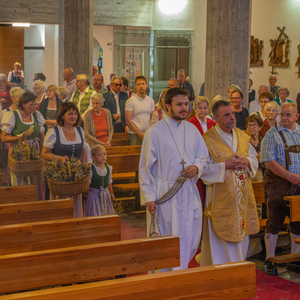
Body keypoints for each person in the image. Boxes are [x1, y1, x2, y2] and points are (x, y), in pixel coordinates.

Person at [139, 88, 208, 270]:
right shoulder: (154, 132)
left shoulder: (192, 130)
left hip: (188, 191)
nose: (184, 108)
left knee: (190, 237)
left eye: (186, 104)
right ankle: (162, 281)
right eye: (179, 104)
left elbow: (203, 157)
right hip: (165, 195)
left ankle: (181, 274)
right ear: (167, 105)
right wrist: (149, 197)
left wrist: (196, 167)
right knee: (166, 239)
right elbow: (145, 168)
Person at [200, 100, 259, 266]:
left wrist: (247, 162)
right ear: (216, 118)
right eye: (226, 115)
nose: (231, 117)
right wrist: (225, 166)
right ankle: (220, 269)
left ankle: (239, 265)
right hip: (220, 198)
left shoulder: (242, 135)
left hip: (242, 197)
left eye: (232, 113)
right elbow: (202, 169)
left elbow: (254, 158)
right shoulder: (207, 139)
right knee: (221, 239)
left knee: (242, 233)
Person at [260, 103, 300, 276]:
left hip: (298, 185)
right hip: (277, 184)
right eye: (282, 115)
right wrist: (290, 177)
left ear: (296, 116)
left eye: (288, 115)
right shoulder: (272, 134)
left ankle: (295, 259)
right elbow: (268, 161)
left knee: (298, 223)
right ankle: (270, 259)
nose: (284, 118)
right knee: (274, 223)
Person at [41, 102, 87, 217]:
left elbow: (83, 152)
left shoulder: (80, 131)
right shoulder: (54, 132)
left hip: (76, 178)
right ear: (62, 115)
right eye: (70, 114)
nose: (73, 116)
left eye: (75, 114)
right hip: (59, 178)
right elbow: (44, 153)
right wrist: (60, 158)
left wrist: (85, 170)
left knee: (76, 206)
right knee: (60, 209)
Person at [1, 91, 45, 200]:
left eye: (35, 104)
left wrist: (42, 154)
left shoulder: (37, 115)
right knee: (20, 180)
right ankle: (21, 206)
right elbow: (3, 137)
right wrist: (18, 138)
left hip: (34, 153)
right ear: (24, 104)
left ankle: (36, 206)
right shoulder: (12, 115)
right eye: (32, 105)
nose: (34, 107)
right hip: (19, 153)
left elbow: (41, 135)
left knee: (35, 180)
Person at [188, 96, 216, 208]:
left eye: (205, 108)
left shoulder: (212, 123)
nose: (203, 110)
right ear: (195, 109)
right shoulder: (190, 123)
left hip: (210, 159)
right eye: (200, 108)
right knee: (200, 191)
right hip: (196, 158)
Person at [0, 87, 24, 185]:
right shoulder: (5, 112)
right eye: (18, 97)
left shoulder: (23, 112)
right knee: (7, 164)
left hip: (20, 143)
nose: (20, 100)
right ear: (13, 98)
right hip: (8, 142)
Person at [85, 145, 115, 216]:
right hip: (94, 195)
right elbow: (87, 185)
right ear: (93, 157)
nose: (103, 156)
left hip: (105, 194)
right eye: (99, 155)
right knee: (95, 212)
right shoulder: (91, 169)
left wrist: (111, 193)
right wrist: (87, 196)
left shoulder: (108, 168)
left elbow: (109, 182)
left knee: (106, 212)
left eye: (104, 154)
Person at [125, 76, 155, 145]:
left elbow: (152, 118)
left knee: (147, 155)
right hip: (134, 134)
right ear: (135, 86)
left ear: (146, 85)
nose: (141, 86)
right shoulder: (131, 101)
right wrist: (139, 133)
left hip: (147, 134)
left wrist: (149, 132)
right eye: (138, 84)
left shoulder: (151, 101)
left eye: (143, 84)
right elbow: (128, 121)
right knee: (135, 155)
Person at [246, 114, 264, 182]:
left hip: (263, 169)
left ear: (260, 127)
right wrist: (253, 159)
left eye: (254, 125)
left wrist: (263, 157)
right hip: (249, 170)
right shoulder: (244, 142)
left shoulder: (263, 141)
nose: (251, 127)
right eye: (249, 125)